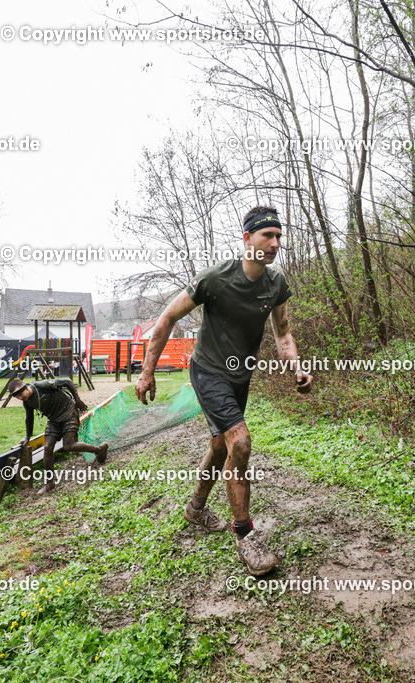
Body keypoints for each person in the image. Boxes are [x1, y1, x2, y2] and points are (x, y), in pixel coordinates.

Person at [135, 205, 313, 576]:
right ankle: (245, 536)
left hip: (239, 378)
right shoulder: (216, 278)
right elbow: (167, 317)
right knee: (241, 443)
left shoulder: (276, 283)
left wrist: (296, 367)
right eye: (268, 235)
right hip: (208, 371)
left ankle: (195, 509)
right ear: (248, 238)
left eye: (280, 236)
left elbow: (283, 332)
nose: (276, 243)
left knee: (221, 446)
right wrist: (147, 373)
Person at [7, 378, 109, 494]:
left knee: (68, 446)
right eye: (17, 397)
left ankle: (99, 450)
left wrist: (78, 400)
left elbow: (68, 381)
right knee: (47, 448)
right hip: (54, 420)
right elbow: (29, 418)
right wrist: (27, 436)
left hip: (68, 413)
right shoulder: (27, 402)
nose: (20, 398)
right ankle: (49, 483)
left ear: (26, 387)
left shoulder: (41, 385)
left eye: (20, 394)